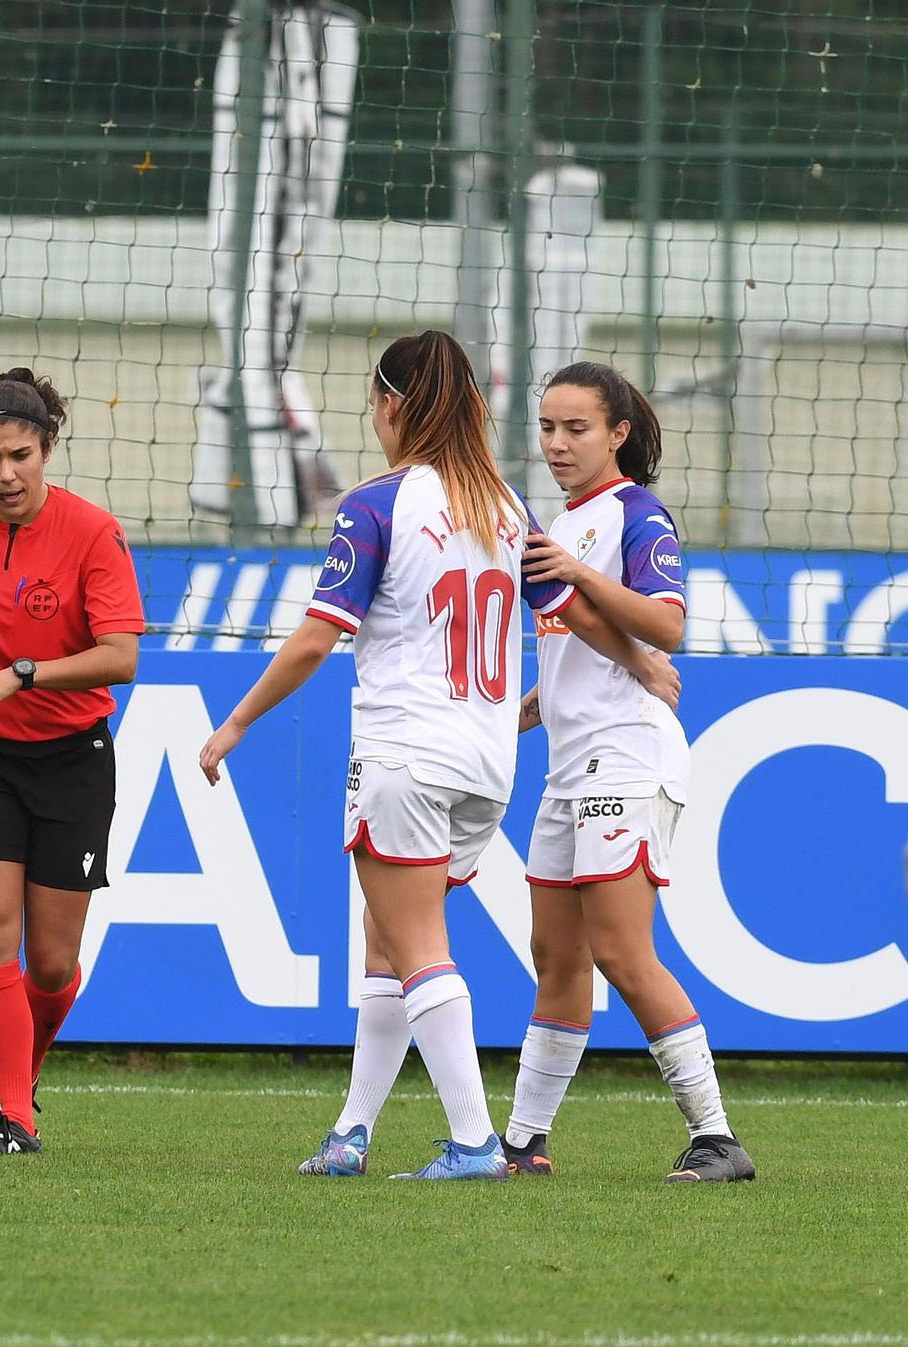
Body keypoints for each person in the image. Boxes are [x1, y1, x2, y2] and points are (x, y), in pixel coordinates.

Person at [197, 330, 680, 1180]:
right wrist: (639, 656)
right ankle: (350, 1133)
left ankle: (472, 1141)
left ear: (392, 404)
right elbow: (573, 610)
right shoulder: (505, 506)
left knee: (416, 941)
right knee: (384, 937)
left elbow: (318, 638)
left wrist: (236, 723)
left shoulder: (378, 502)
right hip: (486, 764)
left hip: (405, 752)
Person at [502, 360, 754, 1183]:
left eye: (576, 428)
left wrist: (580, 574)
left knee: (618, 947)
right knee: (557, 958)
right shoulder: (562, 522)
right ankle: (523, 1143)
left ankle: (716, 1138)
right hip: (570, 763)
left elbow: (667, 627)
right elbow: (578, 657)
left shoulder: (637, 516)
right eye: (547, 427)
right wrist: (521, 711)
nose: (557, 443)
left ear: (617, 433)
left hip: (629, 753)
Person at [0, 367, 144, 1156]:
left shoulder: (94, 534)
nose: (5, 473)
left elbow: (120, 658)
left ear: (47, 447)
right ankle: (15, 1117)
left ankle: (19, 1083)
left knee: (51, 963)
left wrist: (21, 675)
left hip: (71, 756)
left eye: (19, 454)